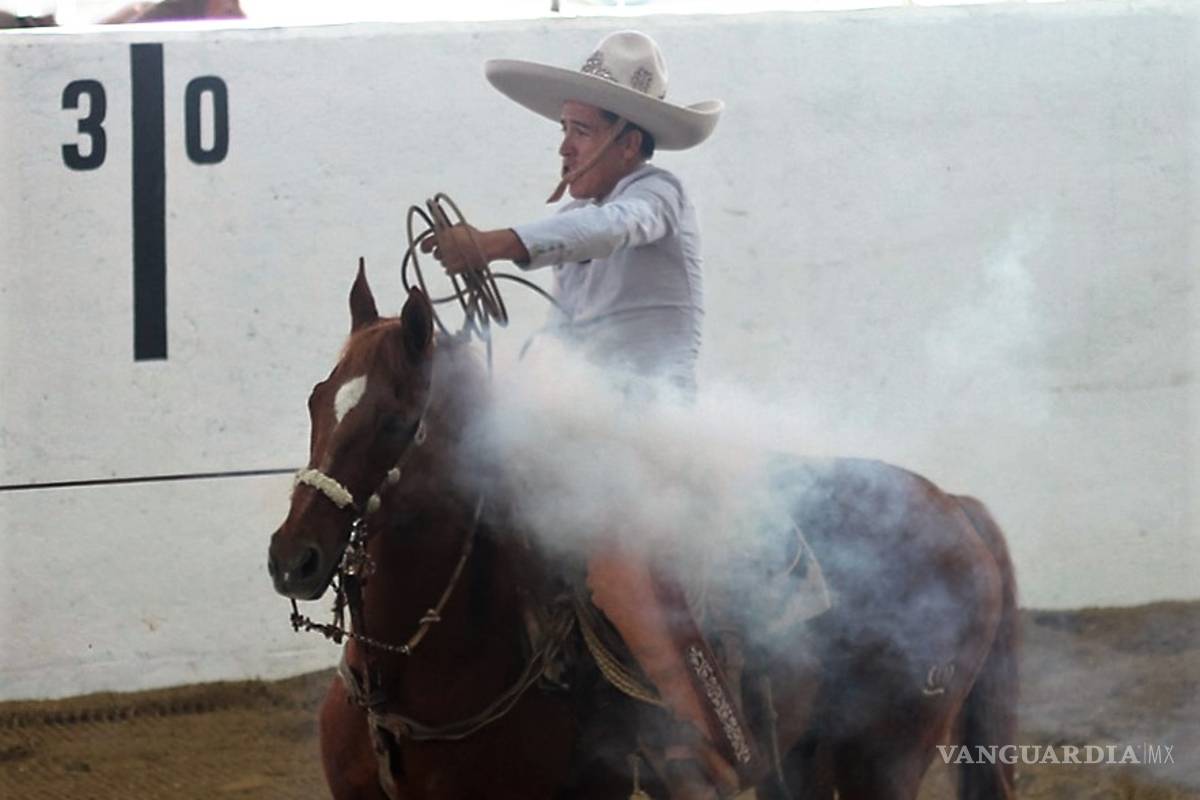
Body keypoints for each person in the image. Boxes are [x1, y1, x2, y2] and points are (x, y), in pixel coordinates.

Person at [424, 31, 758, 799]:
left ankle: (705, 739)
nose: (564, 149)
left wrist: (500, 242)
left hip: (653, 428)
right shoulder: (583, 239)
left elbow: (604, 230)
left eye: (578, 131)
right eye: (563, 131)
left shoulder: (655, 195)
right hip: (591, 432)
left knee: (615, 563)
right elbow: (560, 347)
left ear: (626, 139)